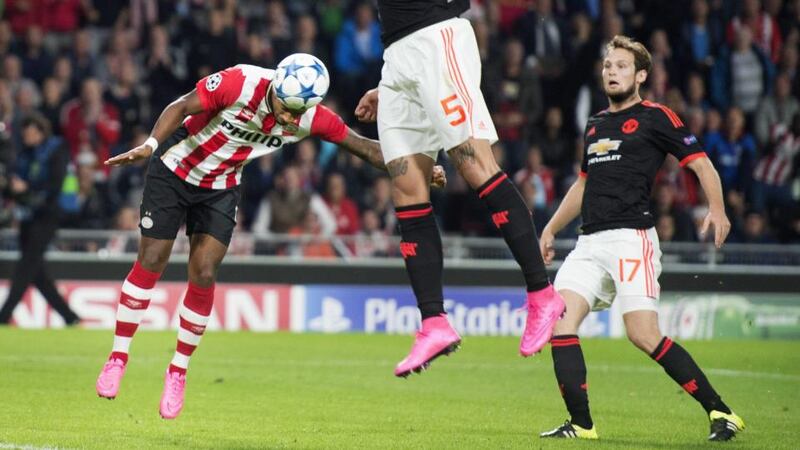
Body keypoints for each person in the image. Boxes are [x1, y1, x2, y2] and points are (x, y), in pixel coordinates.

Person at [94, 53, 446, 420]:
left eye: (301, 112)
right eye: (289, 108)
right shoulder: (240, 82)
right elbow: (182, 105)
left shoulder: (309, 117)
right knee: (151, 260)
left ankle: (178, 371)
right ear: (276, 88)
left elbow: (366, 147)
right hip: (173, 170)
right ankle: (118, 356)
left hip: (221, 186)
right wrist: (150, 145)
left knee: (204, 273)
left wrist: (420, 167)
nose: (293, 119)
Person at [537, 36, 744, 441]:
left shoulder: (657, 117)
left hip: (632, 239)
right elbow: (583, 184)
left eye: (621, 65)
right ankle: (582, 424)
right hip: (589, 243)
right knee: (559, 323)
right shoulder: (595, 124)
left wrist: (717, 210)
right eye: (607, 65)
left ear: (641, 75)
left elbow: (702, 166)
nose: (611, 71)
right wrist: (550, 228)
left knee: (642, 334)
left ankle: (722, 412)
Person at [354, 0, 565, 378]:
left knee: (474, 165)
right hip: (399, 58)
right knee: (406, 188)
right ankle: (434, 322)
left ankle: (542, 292)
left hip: (438, 39)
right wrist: (400, 79)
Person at [0, 113, 80, 325]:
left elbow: (55, 184)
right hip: (29, 214)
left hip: (49, 214)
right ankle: (70, 317)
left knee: (26, 266)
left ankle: (3, 315)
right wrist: (10, 186)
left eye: (30, 134)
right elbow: (18, 186)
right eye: (25, 134)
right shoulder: (27, 153)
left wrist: (26, 187)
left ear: (41, 132)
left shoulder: (57, 149)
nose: (26, 138)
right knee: (36, 272)